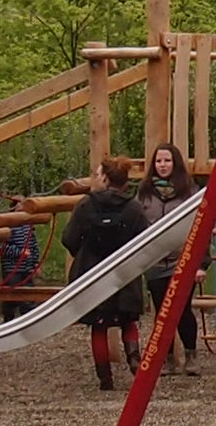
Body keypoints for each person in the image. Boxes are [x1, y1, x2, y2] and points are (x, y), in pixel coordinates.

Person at [61, 154, 153, 391]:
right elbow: (146, 239)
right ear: (124, 181)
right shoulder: (134, 208)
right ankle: (134, 357)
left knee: (99, 326)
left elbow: (69, 239)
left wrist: (84, 251)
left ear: (105, 178)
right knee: (128, 321)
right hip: (125, 272)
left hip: (93, 272)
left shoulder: (86, 204)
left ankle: (105, 379)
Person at [134, 140, 204, 374]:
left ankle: (191, 355)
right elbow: (137, 226)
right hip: (154, 260)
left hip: (181, 260)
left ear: (175, 164)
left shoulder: (190, 192)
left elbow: (201, 227)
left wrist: (201, 263)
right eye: (159, 161)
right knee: (161, 311)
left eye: (167, 161)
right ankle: (165, 359)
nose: (163, 165)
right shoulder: (144, 192)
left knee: (181, 309)